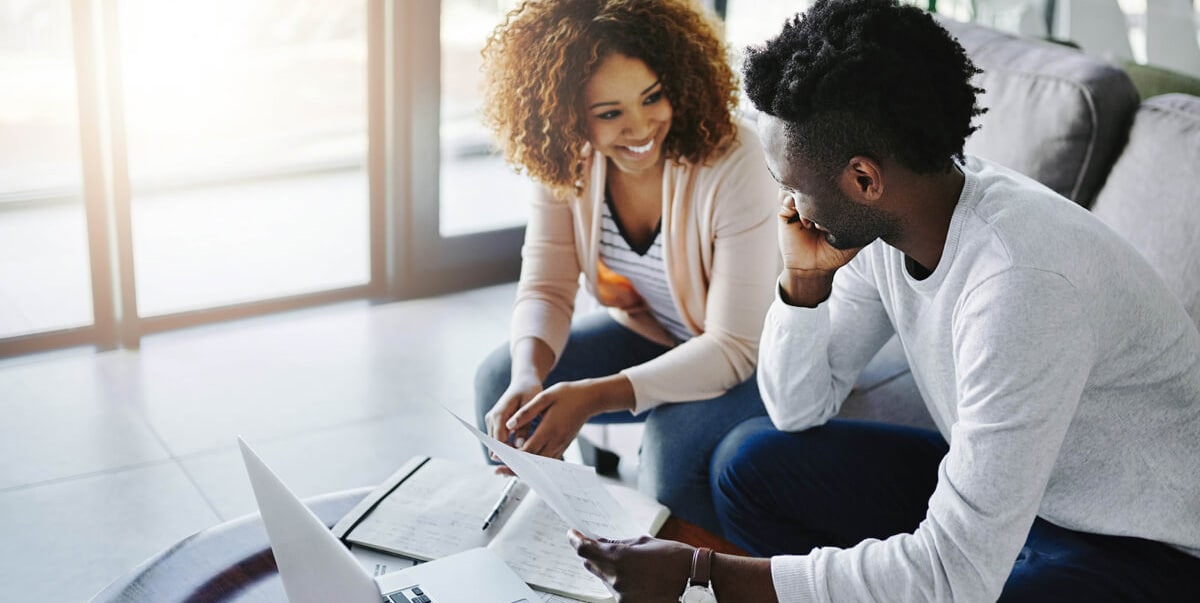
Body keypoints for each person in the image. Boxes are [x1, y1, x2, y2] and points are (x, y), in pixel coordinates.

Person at [569, 0, 1200, 601]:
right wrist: (803, 283)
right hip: (1026, 498)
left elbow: (955, 578)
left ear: (864, 178)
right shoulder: (895, 218)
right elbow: (796, 408)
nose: (785, 208)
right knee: (751, 463)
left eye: (789, 184)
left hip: (1137, 544)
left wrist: (701, 575)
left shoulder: (1020, 285)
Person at [472, 0, 779, 533]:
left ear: (679, 80)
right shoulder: (568, 159)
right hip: (665, 336)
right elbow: (546, 286)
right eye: (609, 113)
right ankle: (536, 549)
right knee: (500, 376)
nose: (640, 128)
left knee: (671, 440)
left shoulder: (736, 158)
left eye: (652, 97)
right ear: (568, 116)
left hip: (764, 359)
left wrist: (593, 396)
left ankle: (670, 581)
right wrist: (529, 373)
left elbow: (734, 347)